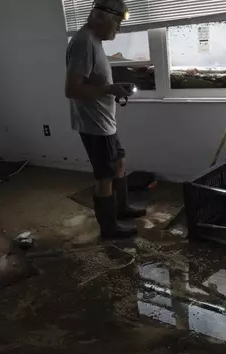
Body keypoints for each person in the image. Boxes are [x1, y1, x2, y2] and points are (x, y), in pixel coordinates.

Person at [65, 0, 145, 239]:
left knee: (119, 161)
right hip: (94, 124)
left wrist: (113, 87)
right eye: (117, 22)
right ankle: (109, 228)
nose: (118, 29)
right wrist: (111, 89)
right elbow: (72, 89)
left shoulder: (94, 42)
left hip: (104, 121)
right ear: (101, 16)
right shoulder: (83, 43)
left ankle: (121, 208)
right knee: (104, 176)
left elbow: (95, 81)